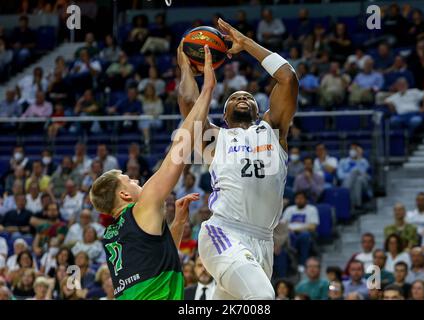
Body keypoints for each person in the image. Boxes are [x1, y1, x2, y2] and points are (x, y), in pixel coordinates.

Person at [179, 19, 298, 300]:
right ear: (224, 115)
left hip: (263, 242)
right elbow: (189, 105)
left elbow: (288, 78)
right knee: (263, 300)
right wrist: (185, 65)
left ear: (259, 110)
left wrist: (246, 45)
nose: (242, 97)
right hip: (224, 232)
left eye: (247, 96)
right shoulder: (215, 139)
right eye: (234, 98)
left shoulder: (274, 131)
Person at [89, 44, 216, 300]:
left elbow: (157, 258)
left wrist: (178, 222)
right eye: (130, 179)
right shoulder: (143, 205)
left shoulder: (112, 234)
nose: (136, 180)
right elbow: (179, 150)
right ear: (124, 195)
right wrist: (207, 90)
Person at [281, 192, 319, 268]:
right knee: (284, 237)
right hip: (289, 232)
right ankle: (290, 262)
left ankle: (302, 263)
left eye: (301, 198)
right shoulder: (290, 209)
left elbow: (313, 226)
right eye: (297, 198)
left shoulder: (312, 209)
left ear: (306, 200)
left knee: (304, 236)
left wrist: (298, 229)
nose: (299, 200)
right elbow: (282, 224)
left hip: (305, 233)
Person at [337, 143, 371, 209]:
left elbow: (363, 174)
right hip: (346, 182)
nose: (353, 151)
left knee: (358, 176)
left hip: (363, 184)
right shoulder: (343, 161)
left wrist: (359, 159)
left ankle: (345, 199)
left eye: (355, 149)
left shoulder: (364, 161)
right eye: (351, 149)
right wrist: (351, 176)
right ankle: (357, 205)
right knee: (356, 178)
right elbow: (340, 176)